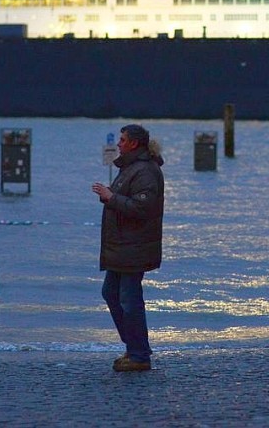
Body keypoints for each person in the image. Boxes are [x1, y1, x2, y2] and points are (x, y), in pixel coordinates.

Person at [92, 124, 164, 372]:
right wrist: (109, 196)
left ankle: (139, 353)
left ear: (134, 143)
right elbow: (126, 201)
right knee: (111, 293)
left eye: (123, 140)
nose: (119, 144)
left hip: (134, 247)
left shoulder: (144, 171)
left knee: (129, 300)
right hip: (122, 248)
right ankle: (135, 346)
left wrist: (111, 198)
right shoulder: (129, 168)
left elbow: (143, 208)